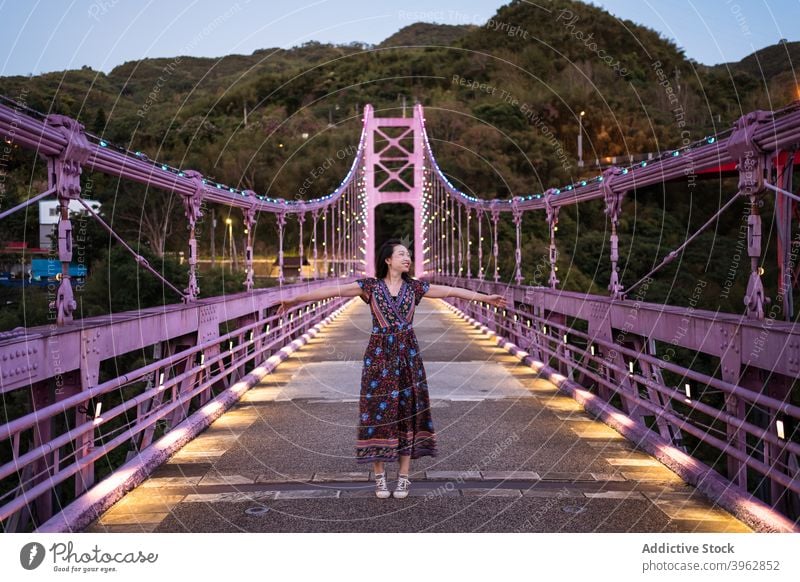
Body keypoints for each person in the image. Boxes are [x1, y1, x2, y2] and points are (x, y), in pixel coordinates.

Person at [276, 238, 507, 499]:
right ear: (388, 260)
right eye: (401, 254)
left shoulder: (415, 288)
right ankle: (380, 478)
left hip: (408, 355)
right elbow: (332, 291)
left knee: (407, 412)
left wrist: (485, 297)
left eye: (408, 254)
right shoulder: (370, 287)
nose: (407, 258)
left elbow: (451, 291)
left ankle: (404, 478)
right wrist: (296, 299)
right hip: (379, 356)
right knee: (379, 414)